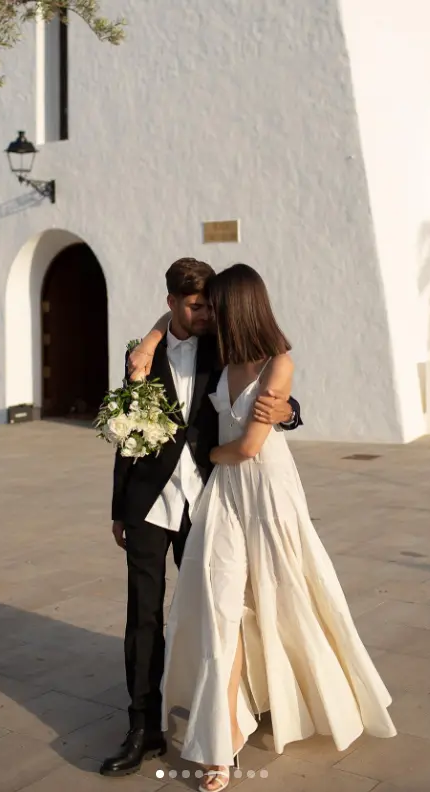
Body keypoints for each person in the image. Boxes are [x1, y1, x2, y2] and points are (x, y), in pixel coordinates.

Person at [157, 263, 397, 792]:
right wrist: (151, 338)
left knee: (288, 598)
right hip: (226, 495)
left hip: (267, 493)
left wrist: (204, 454)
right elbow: (172, 316)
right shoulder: (219, 353)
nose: (207, 313)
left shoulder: (278, 363)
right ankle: (220, 741)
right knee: (219, 606)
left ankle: (311, 694)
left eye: (215, 304)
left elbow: (247, 447)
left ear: (237, 306)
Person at [100, 258, 303, 778]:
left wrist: (289, 412)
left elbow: (272, 392)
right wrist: (120, 507)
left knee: (214, 613)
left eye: (209, 306)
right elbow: (126, 430)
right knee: (143, 616)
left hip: (212, 502)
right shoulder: (141, 356)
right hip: (149, 503)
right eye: (194, 307)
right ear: (170, 303)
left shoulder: (224, 344)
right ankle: (142, 728)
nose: (206, 314)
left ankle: (221, 722)